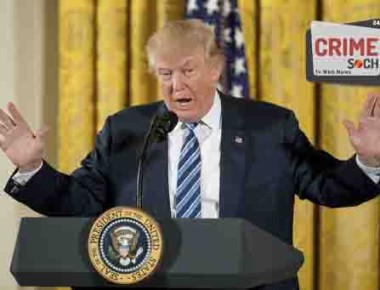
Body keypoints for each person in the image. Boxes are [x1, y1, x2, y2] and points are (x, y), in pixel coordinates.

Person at [0, 19, 379, 290]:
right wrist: (32, 167)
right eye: (164, 73)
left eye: (187, 70)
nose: (175, 85)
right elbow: (80, 201)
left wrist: (371, 160)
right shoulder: (127, 129)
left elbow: (330, 187)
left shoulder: (270, 126)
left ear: (214, 69)